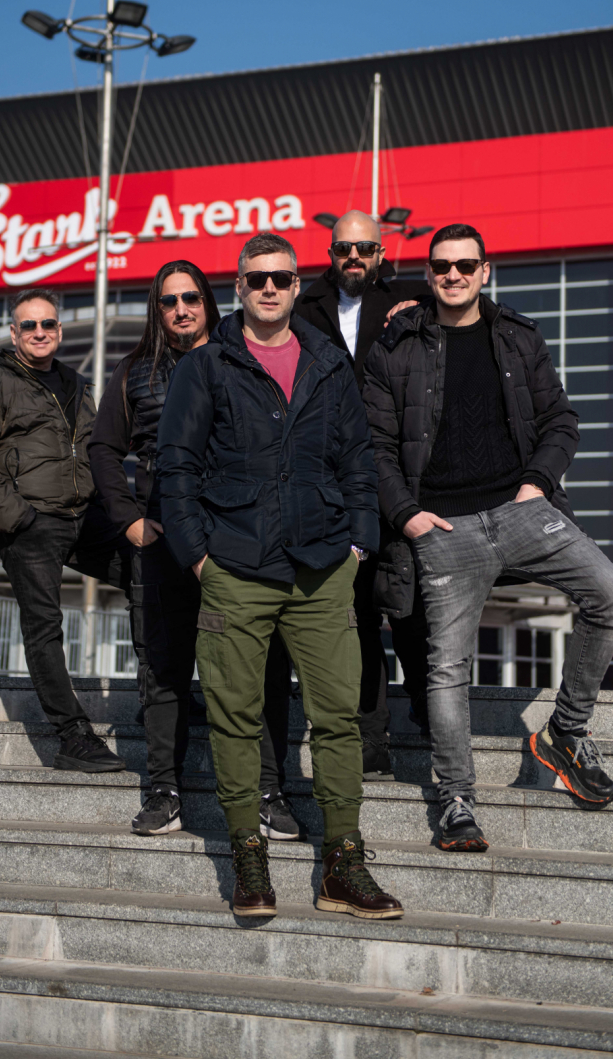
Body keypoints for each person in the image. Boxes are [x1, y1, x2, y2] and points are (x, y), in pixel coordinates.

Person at [156, 232, 403, 920]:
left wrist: (360, 543)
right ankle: (248, 855)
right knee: (235, 718)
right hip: (235, 566)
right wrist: (199, 557)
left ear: (298, 286)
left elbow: (358, 461)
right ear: (238, 287)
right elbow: (175, 468)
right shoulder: (205, 366)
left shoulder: (328, 362)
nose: (270, 288)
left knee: (339, 719)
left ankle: (343, 864)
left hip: (323, 567)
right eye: (257, 278)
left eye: (282, 278)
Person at [363, 224, 613, 852]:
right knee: (446, 667)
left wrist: (537, 482)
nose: (453, 275)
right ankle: (457, 798)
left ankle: (566, 731)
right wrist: (407, 515)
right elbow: (372, 447)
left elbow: (561, 419)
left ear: (485, 270)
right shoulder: (396, 347)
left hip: (521, 508)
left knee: (611, 592)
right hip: (442, 527)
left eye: (465, 265)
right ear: (428, 273)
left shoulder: (519, 335)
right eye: (441, 266)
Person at [89, 261, 295, 839]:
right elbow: (103, 449)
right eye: (168, 300)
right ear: (157, 310)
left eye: (190, 298)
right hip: (161, 538)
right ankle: (165, 790)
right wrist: (129, 520)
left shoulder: (242, 356)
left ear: (208, 302)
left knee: (260, 667)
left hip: (239, 534)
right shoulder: (134, 370)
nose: (180, 309)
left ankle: (268, 791)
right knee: (164, 669)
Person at [0, 287, 127, 772]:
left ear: (59, 330)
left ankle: (162, 695)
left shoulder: (74, 383)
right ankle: (73, 737)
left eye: (47, 324)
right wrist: (20, 518)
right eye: (28, 325)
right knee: (45, 628)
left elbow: (94, 449)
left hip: (85, 515)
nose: (39, 332)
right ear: (14, 333)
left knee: (149, 575)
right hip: (33, 520)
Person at [295, 209, 429, 781]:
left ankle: (426, 709)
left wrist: (422, 305)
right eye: (343, 249)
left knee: (411, 608)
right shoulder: (303, 307)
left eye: (364, 249)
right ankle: (371, 742)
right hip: (332, 485)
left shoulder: (412, 300)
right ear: (331, 252)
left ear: (381, 253)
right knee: (356, 615)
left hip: (396, 479)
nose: (353, 257)